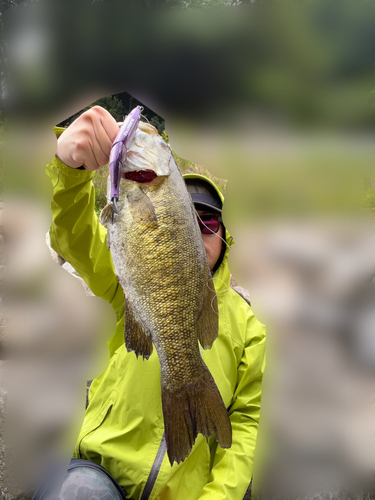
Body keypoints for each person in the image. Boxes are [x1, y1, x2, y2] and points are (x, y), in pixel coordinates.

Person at [38, 105, 266, 500]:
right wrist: (69, 170)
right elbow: (73, 239)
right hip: (101, 476)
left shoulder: (249, 327)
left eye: (208, 221)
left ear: (225, 237)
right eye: (188, 216)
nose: (196, 226)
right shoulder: (122, 285)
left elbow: (247, 424)